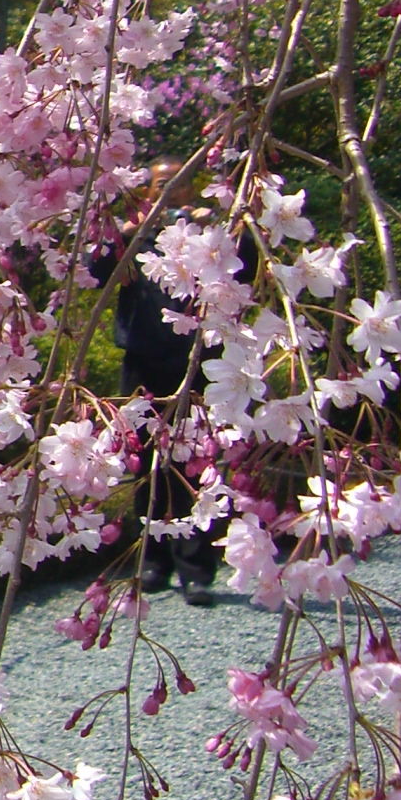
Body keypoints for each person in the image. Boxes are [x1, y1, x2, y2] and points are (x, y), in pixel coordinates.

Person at [98, 163, 252, 600]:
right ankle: (154, 562)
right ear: (148, 192)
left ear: (193, 189)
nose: (172, 192)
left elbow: (246, 272)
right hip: (145, 360)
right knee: (146, 462)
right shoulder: (135, 237)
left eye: (180, 183)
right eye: (162, 185)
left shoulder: (212, 237)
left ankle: (196, 570)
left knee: (196, 464)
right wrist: (123, 233)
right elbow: (96, 272)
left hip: (200, 361)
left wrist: (228, 231)